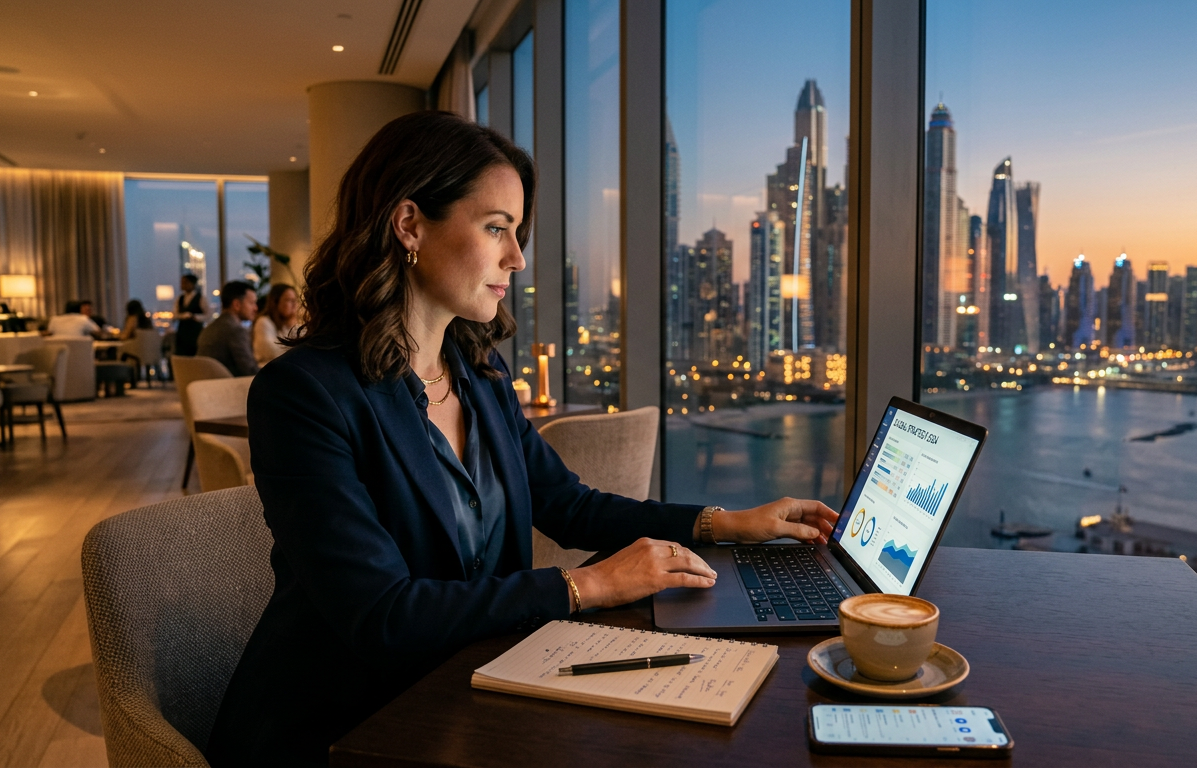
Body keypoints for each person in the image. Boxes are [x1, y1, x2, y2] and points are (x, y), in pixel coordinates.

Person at [204, 111, 838, 766]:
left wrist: (727, 522)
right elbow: (383, 617)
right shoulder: (304, 395)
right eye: (496, 229)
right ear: (410, 224)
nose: (518, 258)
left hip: (472, 691)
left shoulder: (477, 373)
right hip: (347, 727)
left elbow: (571, 505)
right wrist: (587, 587)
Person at [195, 281, 259, 376]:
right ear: (236, 304)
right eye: (251, 303)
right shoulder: (235, 331)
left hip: (206, 386)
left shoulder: (209, 328)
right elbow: (250, 371)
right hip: (228, 387)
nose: (255, 308)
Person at [252, 282, 300, 365]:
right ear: (275, 302)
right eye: (289, 300)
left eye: (295, 300)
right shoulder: (263, 322)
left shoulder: (290, 323)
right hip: (266, 369)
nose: (294, 305)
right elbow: (272, 352)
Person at [173, 274, 208, 356]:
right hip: (182, 331)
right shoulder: (180, 298)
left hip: (195, 331)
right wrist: (183, 316)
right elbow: (174, 314)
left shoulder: (200, 298)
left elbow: (208, 315)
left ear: (192, 284)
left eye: (185, 282)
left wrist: (195, 317)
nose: (182, 285)